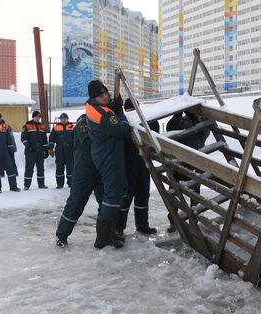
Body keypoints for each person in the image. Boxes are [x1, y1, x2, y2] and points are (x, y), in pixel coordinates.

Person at [85, 79, 130, 249]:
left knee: (116, 191)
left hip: (105, 154)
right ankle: (103, 238)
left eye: (106, 94)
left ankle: (111, 233)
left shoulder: (94, 107)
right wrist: (120, 112)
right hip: (109, 157)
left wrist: (113, 106)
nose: (105, 97)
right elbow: (122, 129)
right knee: (113, 194)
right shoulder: (103, 115)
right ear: (94, 97)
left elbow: (107, 109)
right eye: (101, 95)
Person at [55, 114, 103, 247]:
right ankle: (62, 235)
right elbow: (89, 143)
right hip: (84, 171)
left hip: (100, 169)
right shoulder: (83, 123)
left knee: (105, 203)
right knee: (76, 202)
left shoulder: (102, 122)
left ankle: (105, 235)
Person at [114, 98, 159, 238]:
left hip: (144, 165)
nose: (132, 112)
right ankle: (119, 228)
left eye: (135, 109)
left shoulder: (148, 121)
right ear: (125, 110)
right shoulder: (123, 123)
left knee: (143, 195)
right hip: (127, 166)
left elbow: (155, 135)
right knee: (125, 197)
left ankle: (142, 225)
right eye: (129, 110)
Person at [165, 110, 211, 232]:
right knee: (173, 195)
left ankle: (193, 222)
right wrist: (177, 114)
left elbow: (202, 137)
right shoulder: (181, 121)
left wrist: (195, 118)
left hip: (194, 166)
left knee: (194, 198)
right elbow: (170, 128)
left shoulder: (201, 122)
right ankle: (173, 220)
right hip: (177, 165)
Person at [21, 110, 48, 190]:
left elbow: (44, 139)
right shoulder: (27, 126)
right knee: (29, 168)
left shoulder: (42, 127)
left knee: (40, 168)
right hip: (30, 151)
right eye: (36, 117)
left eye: (39, 117)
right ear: (33, 117)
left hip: (40, 150)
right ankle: (27, 185)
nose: (38, 118)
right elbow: (23, 139)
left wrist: (46, 150)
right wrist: (28, 146)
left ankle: (41, 184)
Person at [49, 113, 75, 188]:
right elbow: (51, 139)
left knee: (70, 167)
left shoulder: (72, 127)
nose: (63, 120)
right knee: (59, 167)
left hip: (70, 149)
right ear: (60, 119)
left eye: (65, 118)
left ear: (67, 119)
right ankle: (59, 184)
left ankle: (71, 183)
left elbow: (76, 139)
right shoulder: (56, 127)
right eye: (62, 118)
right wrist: (50, 148)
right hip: (59, 149)